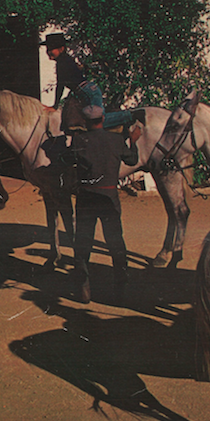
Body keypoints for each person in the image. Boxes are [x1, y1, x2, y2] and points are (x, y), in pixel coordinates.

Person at [65, 104, 141, 303]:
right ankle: (120, 288)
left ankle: (84, 288)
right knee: (116, 243)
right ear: (103, 119)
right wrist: (132, 141)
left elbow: (66, 159)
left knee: (83, 242)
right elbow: (132, 160)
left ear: (85, 122)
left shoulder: (79, 140)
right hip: (109, 198)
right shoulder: (116, 141)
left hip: (86, 198)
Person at [42, 33, 143, 130]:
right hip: (87, 90)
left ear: (61, 49)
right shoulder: (66, 60)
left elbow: (60, 84)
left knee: (97, 121)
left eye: (51, 48)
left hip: (87, 92)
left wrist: (55, 106)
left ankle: (130, 115)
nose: (48, 52)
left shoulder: (62, 63)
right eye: (48, 49)